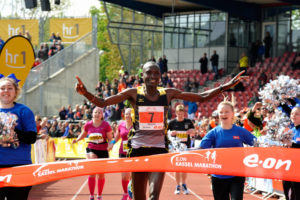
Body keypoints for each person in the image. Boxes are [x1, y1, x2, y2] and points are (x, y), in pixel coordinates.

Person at [75, 61, 245, 200]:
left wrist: (226, 86)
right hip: (137, 151)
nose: (153, 76)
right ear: (142, 75)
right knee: (139, 197)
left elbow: (200, 97)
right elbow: (103, 103)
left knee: (154, 196)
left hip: (159, 150)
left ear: (160, 76)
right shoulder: (133, 93)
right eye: (149, 73)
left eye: (156, 73)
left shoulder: (168, 93)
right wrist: (86, 94)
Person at [200, 100, 256, 200]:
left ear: (232, 114)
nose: (223, 114)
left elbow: (256, 144)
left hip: (237, 175)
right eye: (221, 112)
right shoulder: (214, 132)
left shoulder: (240, 131)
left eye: (226, 111)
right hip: (218, 176)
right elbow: (201, 149)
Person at [0, 74, 37, 200]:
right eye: (2, 88)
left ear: (16, 91)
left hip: (19, 166)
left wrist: (12, 130)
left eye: (10, 88)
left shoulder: (24, 111)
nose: (6, 91)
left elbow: (31, 138)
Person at [72, 107, 114, 200]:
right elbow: (83, 134)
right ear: (92, 114)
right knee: (92, 171)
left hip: (103, 150)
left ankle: (99, 195)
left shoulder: (106, 125)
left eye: (99, 112)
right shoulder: (88, 125)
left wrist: (111, 145)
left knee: (101, 174)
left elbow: (111, 139)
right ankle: (91, 195)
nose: (97, 114)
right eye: (95, 112)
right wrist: (77, 139)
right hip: (91, 148)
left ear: (102, 115)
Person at [168, 104, 195, 195]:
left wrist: (191, 132)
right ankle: (177, 185)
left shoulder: (188, 122)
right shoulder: (172, 123)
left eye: (182, 114)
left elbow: (193, 132)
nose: (180, 115)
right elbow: (167, 134)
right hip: (176, 148)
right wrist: (171, 133)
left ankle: (183, 184)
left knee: (184, 167)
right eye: (178, 114)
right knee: (177, 168)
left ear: (184, 113)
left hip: (185, 148)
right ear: (176, 113)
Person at [112, 108, 133, 200]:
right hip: (122, 153)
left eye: (129, 114)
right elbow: (116, 138)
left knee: (132, 176)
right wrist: (111, 144)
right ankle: (125, 193)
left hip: (133, 153)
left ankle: (130, 194)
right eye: (126, 114)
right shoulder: (121, 125)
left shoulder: (136, 126)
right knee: (124, 176)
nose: (127, 115)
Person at [281, 106, 300, 200]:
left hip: (298, 168)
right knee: (286, 190)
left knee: (297, 193)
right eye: (292, 113)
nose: (293, 116)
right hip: (288, 166)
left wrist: (291, 144)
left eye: (297, 114)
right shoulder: (291, 131)